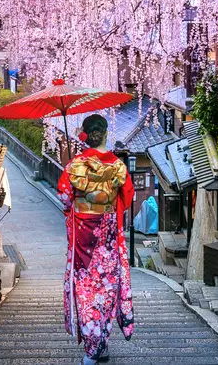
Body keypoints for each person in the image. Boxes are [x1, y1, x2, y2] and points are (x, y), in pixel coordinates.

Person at [57, 114, 135, 365]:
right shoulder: (118, 166)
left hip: (83, 233)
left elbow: (65, 198)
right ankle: (102, 342)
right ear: (106, 133)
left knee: (87, 287)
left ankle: (92, 349)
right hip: (109, 230)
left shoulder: (74, 165)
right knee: (107, 286)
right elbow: (128, 197)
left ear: (85, 134)